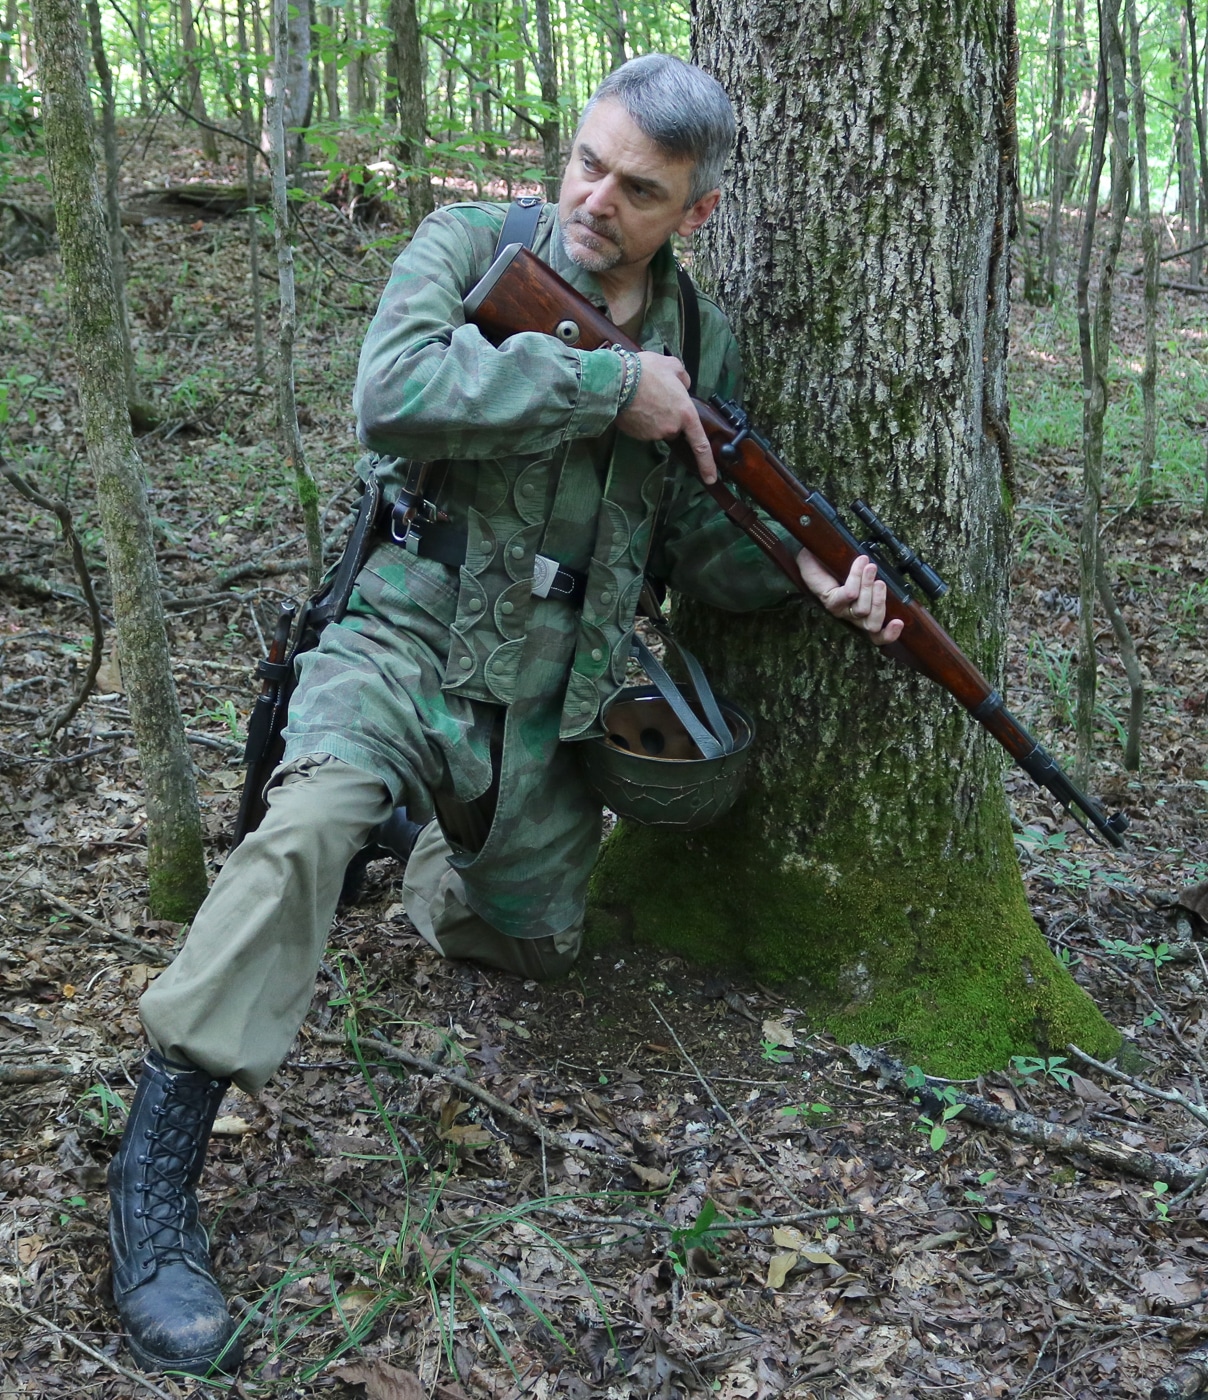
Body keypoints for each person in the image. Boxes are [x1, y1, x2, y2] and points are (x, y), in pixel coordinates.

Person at [105, 53, 903, 1377]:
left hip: (553, 700)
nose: (596, 197)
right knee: (306, 831)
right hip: (404, 638)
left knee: (531, 943)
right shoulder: (472, 243)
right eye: (587, 162)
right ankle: (158, 1179)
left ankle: (435, 834)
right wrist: (608, 387)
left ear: (693, 212)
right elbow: (393, 394)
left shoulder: (700, 341)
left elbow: (698, 547)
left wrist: (814, 580)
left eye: (638, 188)